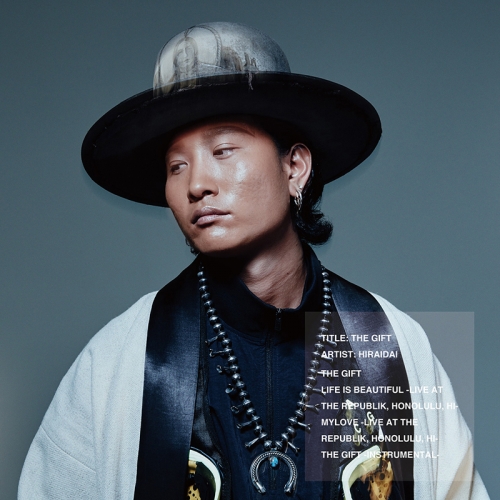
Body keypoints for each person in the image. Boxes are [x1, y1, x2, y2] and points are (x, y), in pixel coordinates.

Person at [19, 22, 488, 500]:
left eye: (223, 150)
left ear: (295, 167)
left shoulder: (390, 345)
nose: (196, 185)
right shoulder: (120, 359)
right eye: (176, 166)